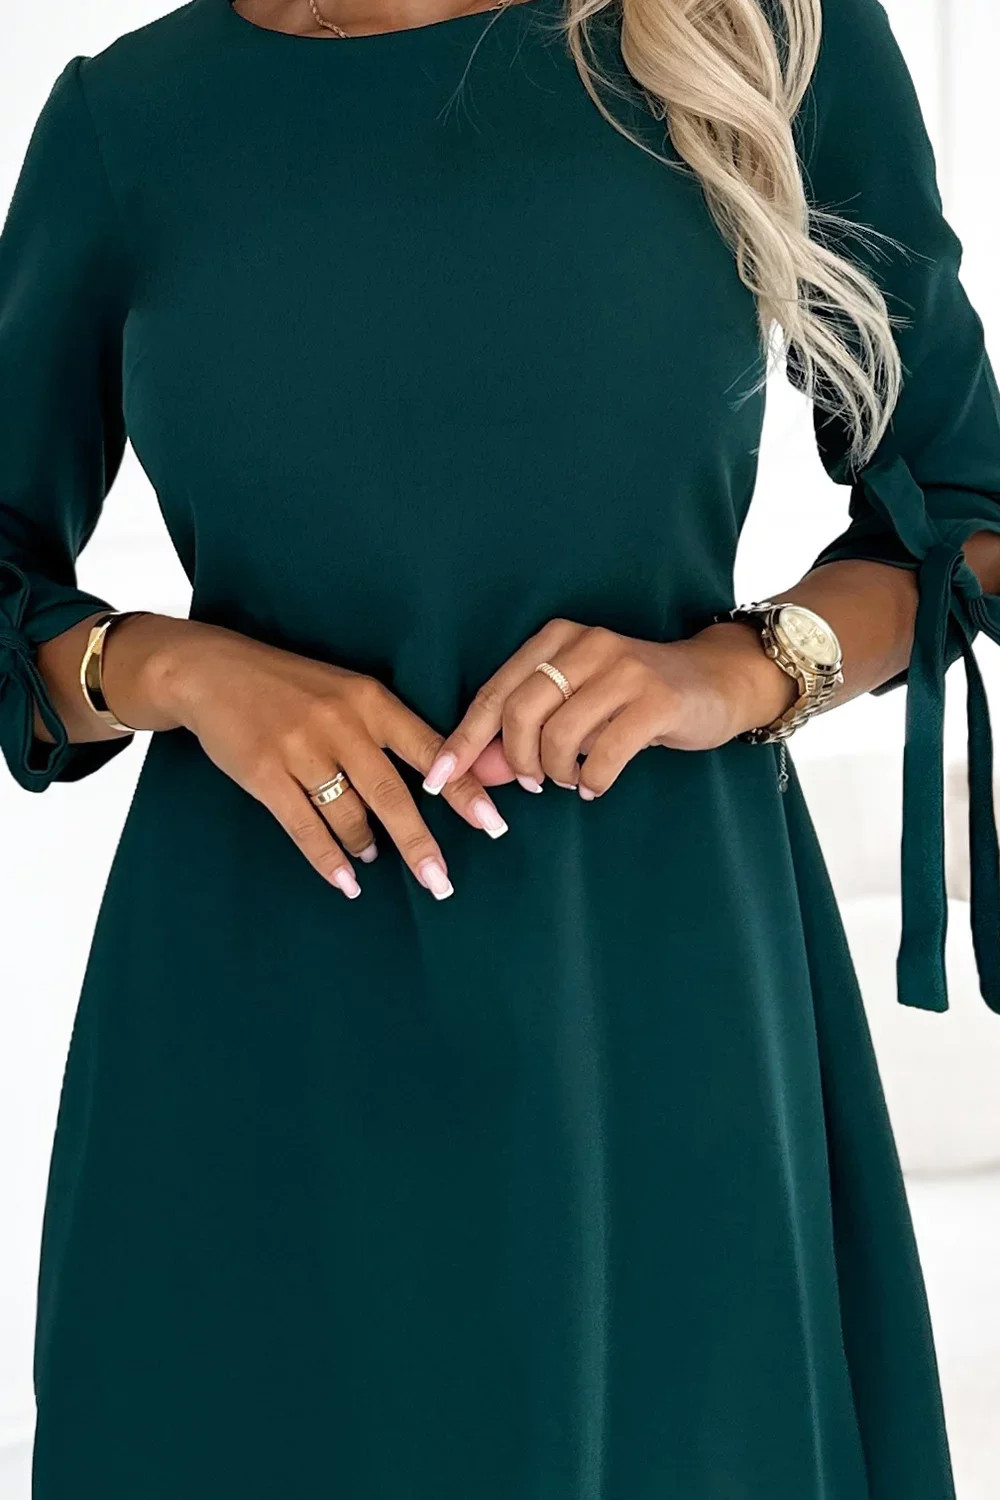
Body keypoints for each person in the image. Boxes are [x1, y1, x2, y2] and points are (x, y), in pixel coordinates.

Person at [2, 0, 999, 1494]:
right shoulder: (128, 120)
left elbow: (968, 516)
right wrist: (173, 668)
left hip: (654, 1020)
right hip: (247, 1047)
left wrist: (736, 672)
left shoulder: (760, 37)